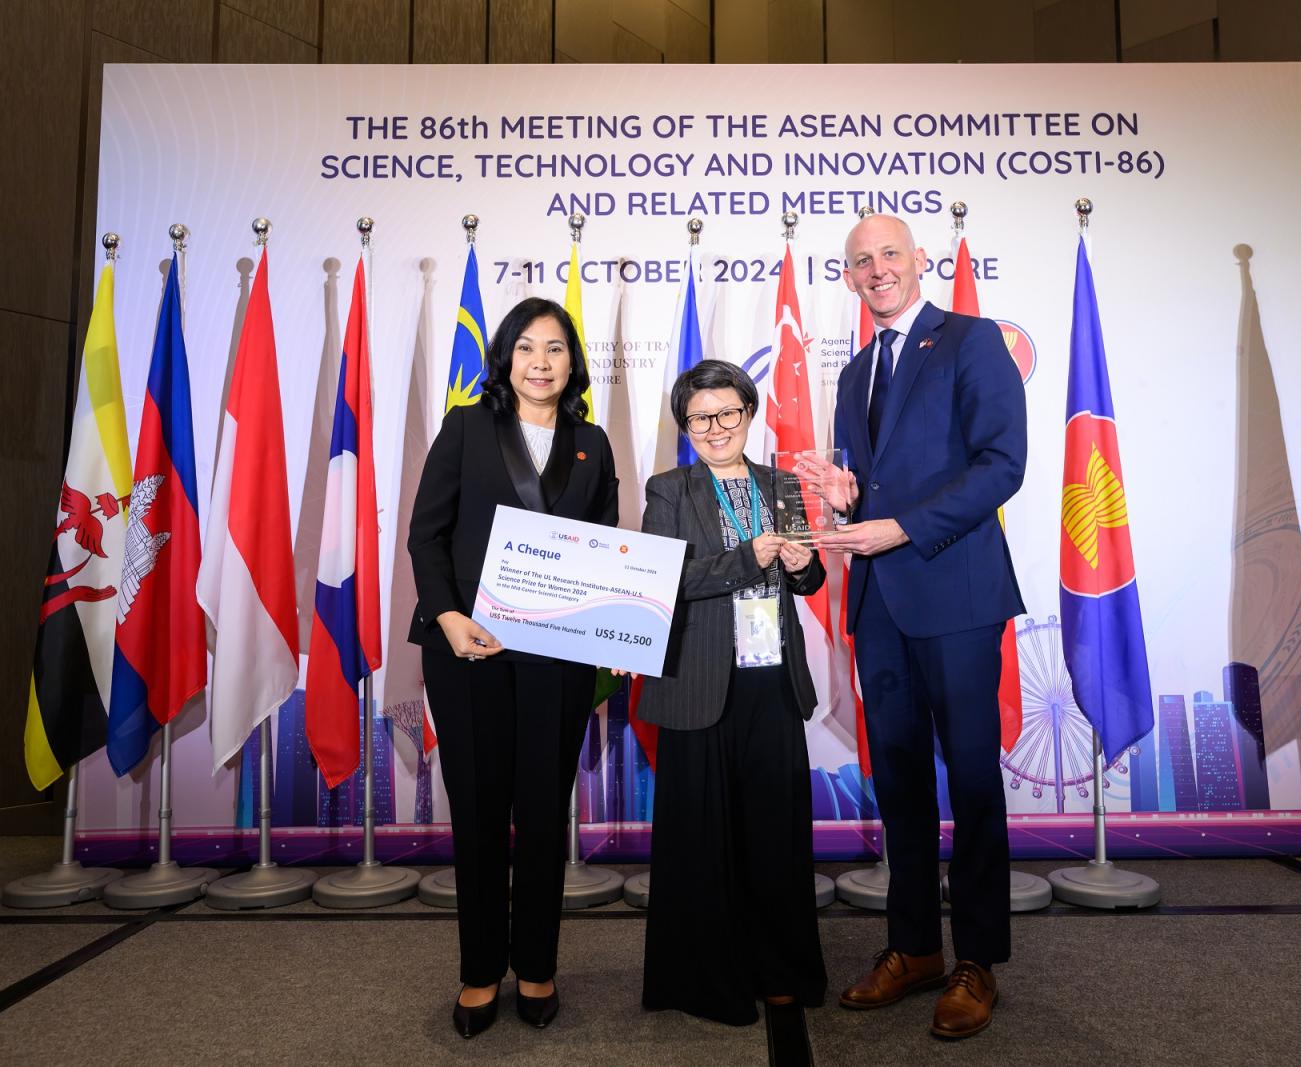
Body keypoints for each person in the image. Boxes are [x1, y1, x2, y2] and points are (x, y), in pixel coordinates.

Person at [819, 214, 1026, 1040]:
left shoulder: (973, 341)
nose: (877, 270)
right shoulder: (853, 373)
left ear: (919, 262)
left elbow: (1002, 464)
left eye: (889, 255)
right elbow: (868, 488)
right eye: (861, 261)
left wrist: (898, 526)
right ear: (848, 277)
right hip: (880, 605)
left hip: (957, 595)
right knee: (898, 782)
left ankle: (977, 959)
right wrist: (844, 498)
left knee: (972, 781)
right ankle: (914, 947)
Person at [407, 297, 618, 1039]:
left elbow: (605, 553)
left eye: (555, 348)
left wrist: (616, 628)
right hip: (469, 652)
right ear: (505, 357)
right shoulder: (466, 427)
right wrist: (448, 615)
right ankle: (476, 972)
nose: (539, 362)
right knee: (478, 814)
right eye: (526, 347)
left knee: (539, 813)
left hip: (556, 660)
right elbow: (425, 534)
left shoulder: (592, 443)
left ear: (572, 362)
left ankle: (536, 963)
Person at [636, 359, 829, 1026]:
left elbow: (807, 580)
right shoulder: (667, 489)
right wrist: (752, 555)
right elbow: (668, 578)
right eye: (701, 418)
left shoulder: (781, 485)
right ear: (685, 426)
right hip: (698, 679)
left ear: (749, 415)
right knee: (699, 839)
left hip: (771, 678)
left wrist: (806, 564)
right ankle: (706, 979)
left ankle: (781, 969)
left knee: (775, 835)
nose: (716, 428)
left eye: (729, 414)